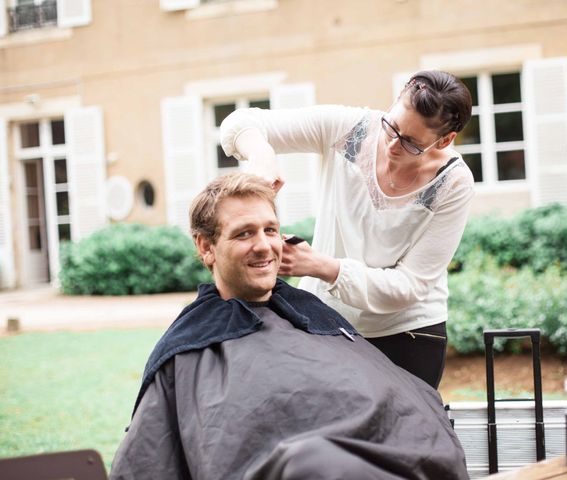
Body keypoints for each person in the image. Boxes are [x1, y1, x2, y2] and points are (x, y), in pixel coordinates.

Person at [109, 173, 469, 480]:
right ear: (206, 247)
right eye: (244, 234)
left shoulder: (313, 315)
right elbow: (148, 457)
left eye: (270, 230)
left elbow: (401, 405)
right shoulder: (188, 346)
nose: (265, 246)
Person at [219, 70, 474, 389]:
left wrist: (322, 267)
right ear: (393, 104)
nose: (393, 144)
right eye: (391, 125)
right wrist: (262, 155)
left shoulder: (453, 184)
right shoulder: (347, 128)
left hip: (408, 334)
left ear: (445, 140)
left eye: (411, 142)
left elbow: (410, 285)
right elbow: (238, 125)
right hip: (326, 324)